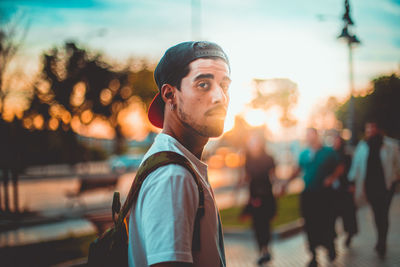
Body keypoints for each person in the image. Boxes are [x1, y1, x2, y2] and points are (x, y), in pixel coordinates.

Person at [128, 41, 231, 267]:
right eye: (203, 84)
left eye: (224, 85)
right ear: (170, 94)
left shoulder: (180, 164)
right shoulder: (172, 177)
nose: (220, 98)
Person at [285, 128, 341, 267]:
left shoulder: (328, 152)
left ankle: (330, 246)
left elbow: (340, 167)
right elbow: (298, 169)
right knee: (309, 224)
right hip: (309, 194)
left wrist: (332, 178)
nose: (310, 138)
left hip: (325, 195)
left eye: (312, 135)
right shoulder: (304, 153)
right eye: (307, 135)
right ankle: (313, 255)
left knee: (327, 221)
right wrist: (285, 182)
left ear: (317, 136)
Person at [348, 120, 400, 259]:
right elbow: (356, 166)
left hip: (386, 186)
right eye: (368, 128)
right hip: (371, 186)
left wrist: (395, 178)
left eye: (372, 127)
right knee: (377, 214)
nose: (370, 130)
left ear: (378, 128)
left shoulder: (390, 145)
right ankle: (380, 238)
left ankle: (382, 241)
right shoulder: (362, 146)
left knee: (384, 213)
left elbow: (397, 164)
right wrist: (352, 182)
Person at [239, 133, 277, 265]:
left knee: (265, 223)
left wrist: (279, 188)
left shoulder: (268, 158)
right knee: (256, 225)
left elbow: (273, 176)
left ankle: (266, 250)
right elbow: (246, 177)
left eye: (255, 142)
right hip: (254, 196)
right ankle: (261, 250)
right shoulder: (248, 159)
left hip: (266, 195)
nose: (253, 145)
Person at [330, 135, 358, 247]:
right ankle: (332, 235)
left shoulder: (346, 156)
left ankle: (350, 234)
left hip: (345, 189)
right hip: (333, 190)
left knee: (348, 213)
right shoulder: (330, 156)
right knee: (332, 214)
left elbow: (352, 171)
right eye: (334, 141)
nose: (335, 143)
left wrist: (352, 185)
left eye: (337, 141)